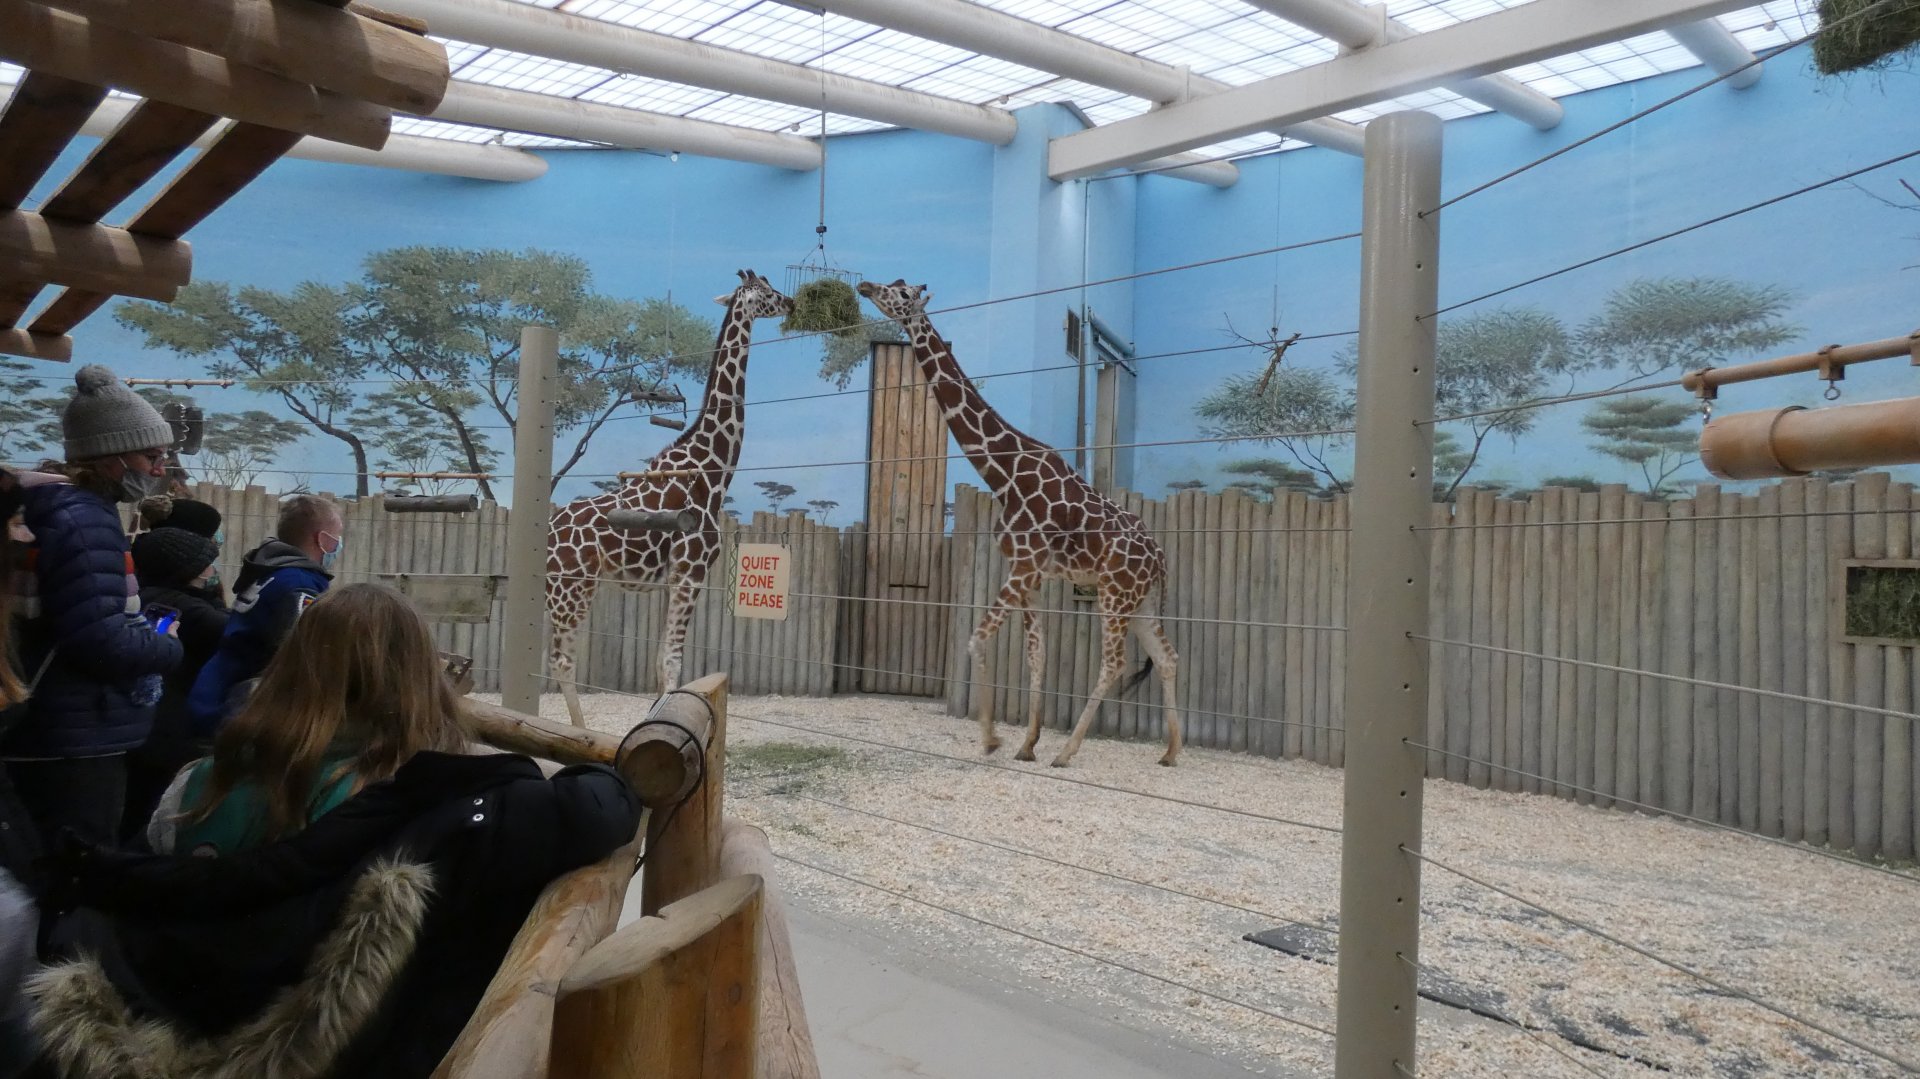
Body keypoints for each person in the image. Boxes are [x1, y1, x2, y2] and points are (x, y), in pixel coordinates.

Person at [29, 584, 642, 1079]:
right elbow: (593, 809)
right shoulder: (427, 805)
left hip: (159, 1027)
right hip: (327, 1050)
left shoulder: (194, 788)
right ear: (418, 679)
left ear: (290, 667)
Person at [0, 366, 182, 851]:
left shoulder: (49, 508)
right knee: (79, 868)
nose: (159, 469)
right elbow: (99, 638)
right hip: (73, 740)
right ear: (108, 456)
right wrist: (166, 645)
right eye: (151, 456)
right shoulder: (85, 522)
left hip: (47, 728)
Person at [187, 493, 341, 735]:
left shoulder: (270, 571)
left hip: (217, 690)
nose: (339, 544)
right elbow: (302, 654)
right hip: (242, 707)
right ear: (322, 539)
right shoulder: (299, 585)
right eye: (337, 537)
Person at [121, 526, 229, 844]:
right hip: (166, 730)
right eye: (206, 564)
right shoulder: (182, 606)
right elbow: (232, 631)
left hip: (149, 726)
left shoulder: (151, 595)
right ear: (186, 571)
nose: (212, 570)